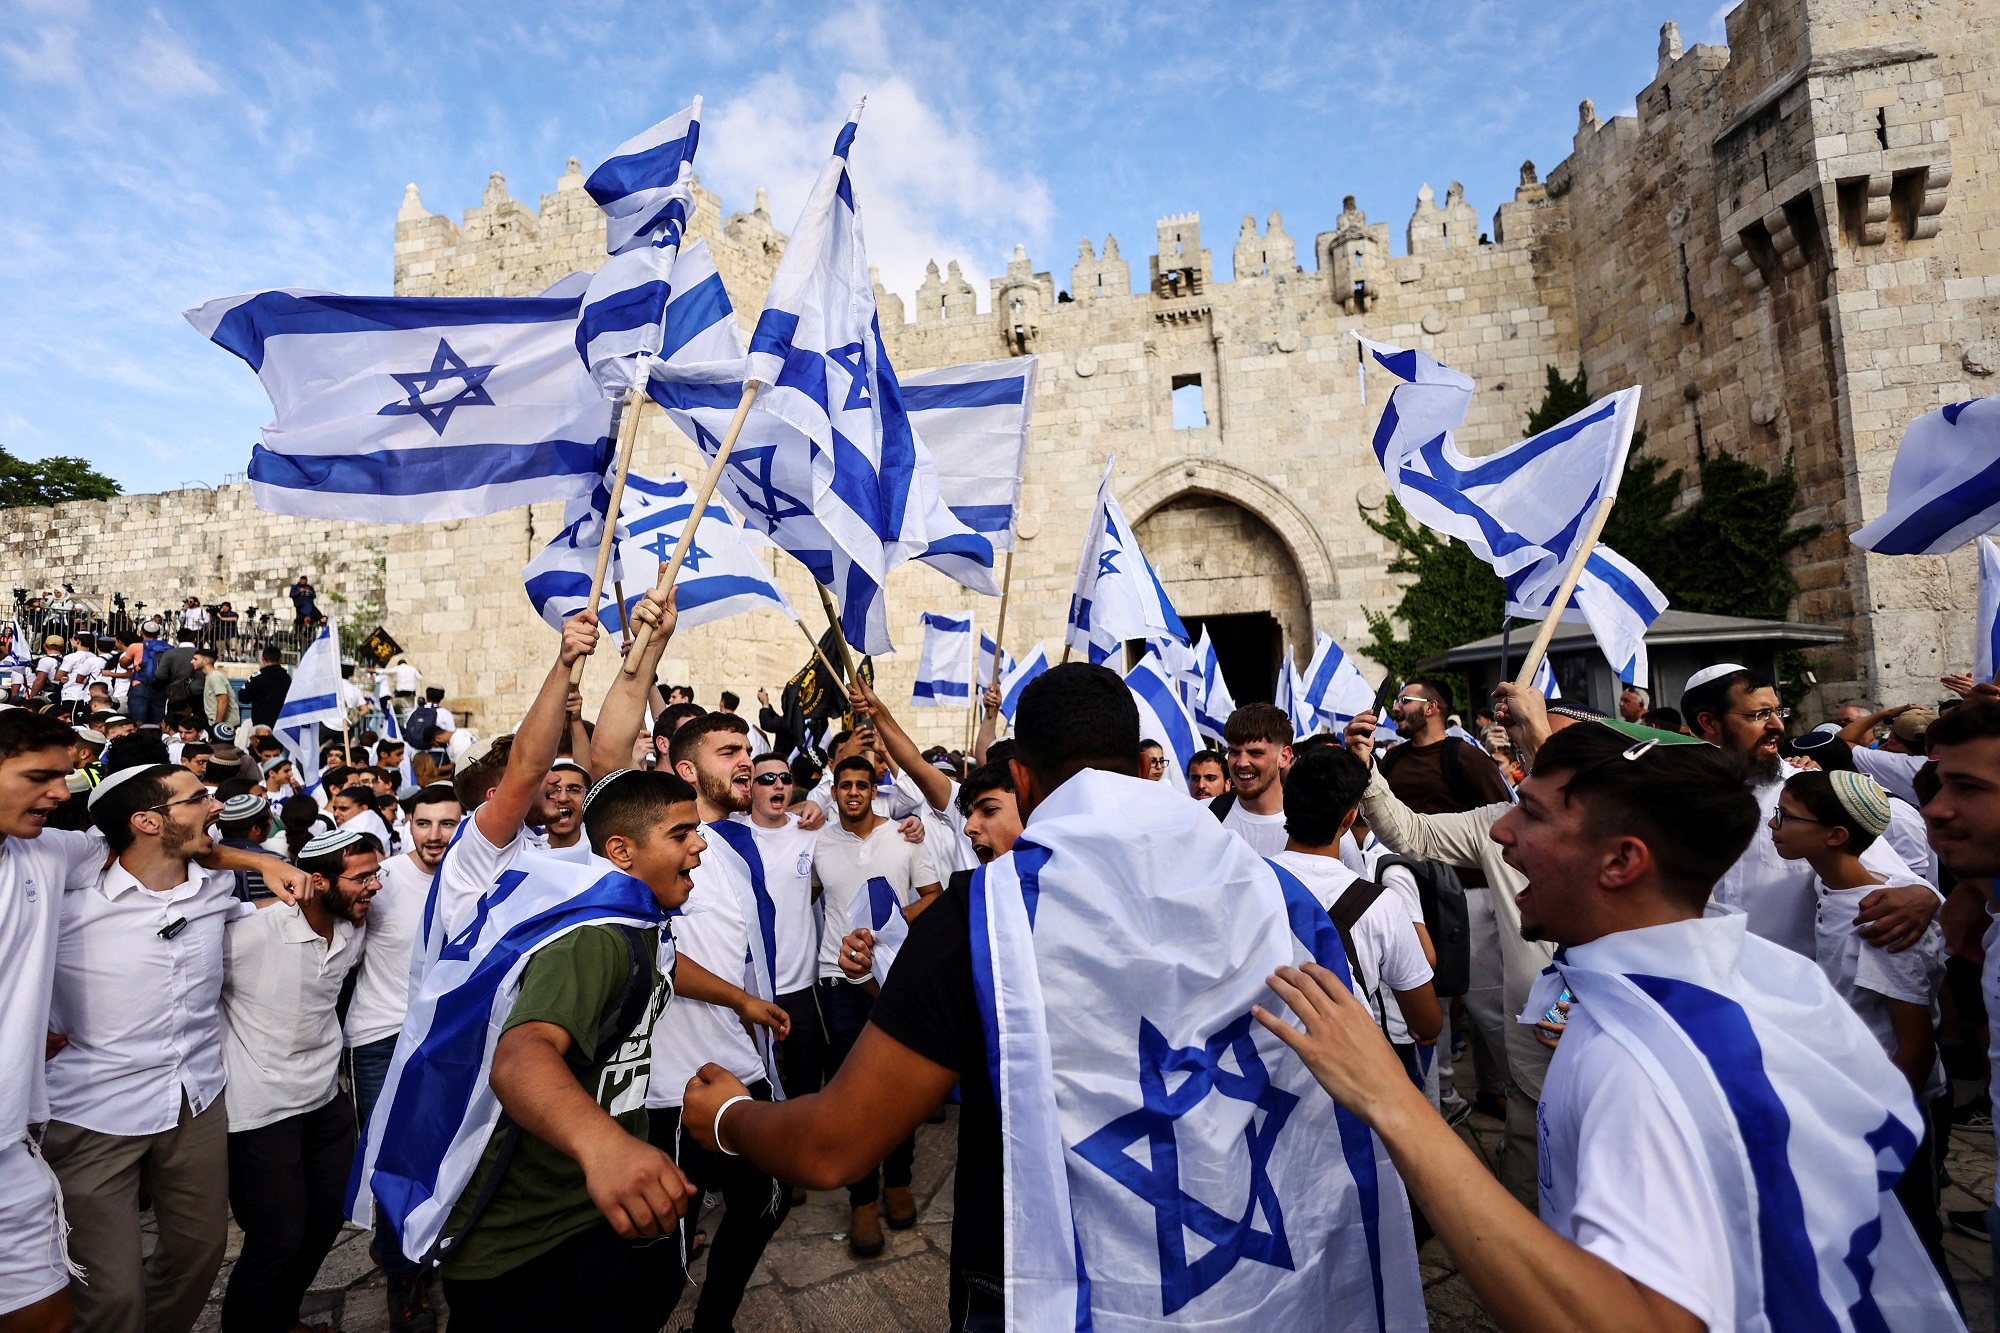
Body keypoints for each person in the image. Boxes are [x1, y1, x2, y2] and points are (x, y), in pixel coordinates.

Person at [685, 663, 1427, 1332]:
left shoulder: (982, 917)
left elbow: (833, 1146)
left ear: (1023, 780)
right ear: (1141, 763)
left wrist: (727, 1115)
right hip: (1260, 1286)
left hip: (1040, 1285)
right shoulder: (1281, 900)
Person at [1254, 719, 1959, 1332]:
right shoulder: (1725, 981)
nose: (1501, 832)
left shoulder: (1645, 1060)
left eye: (1531, 815)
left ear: (1622, 861)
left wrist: (1392, 1099)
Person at [416, 609, 699, 1332]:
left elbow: (610, 763)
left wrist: (647, 647)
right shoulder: (478, 865)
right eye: (542, 784)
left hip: (582, 1192)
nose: (555, 791)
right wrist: (566, 660)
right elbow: (525, 768)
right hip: (494, 1142)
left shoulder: (574, 873)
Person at [42, 762, 304, 1333]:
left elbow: (225, 882)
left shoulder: (214, 889)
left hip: (195, 1102)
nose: (216, 805)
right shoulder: (71, 898)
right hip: (93, 1113)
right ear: (146, 821)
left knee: (198, 1255)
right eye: (198, 798)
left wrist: (265, 862)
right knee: (111, 1293)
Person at [1342, 682, 1564, 1204]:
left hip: (1602, 1063)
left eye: (1551, 742)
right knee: (1527, 1190)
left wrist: (1537, 730)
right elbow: (1413, 835)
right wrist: (1366, 770)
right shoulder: (1498, 823)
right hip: (1530, 1061)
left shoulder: (1621, 828)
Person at [1768, 768, 1953, 1285]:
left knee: (1916, 1251)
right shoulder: (1831, 887)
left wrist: (1876, 1131)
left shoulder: (1880, 919)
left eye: (1786, 817)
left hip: (1886, 1117)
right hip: (1849, 1103)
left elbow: (1915, 1046)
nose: (1774, 826)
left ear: (1835, 835)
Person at [217, 829, 378, 1333]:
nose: (374, 886)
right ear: (318, 881)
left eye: (376, 874)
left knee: (328, 1217)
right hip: (259, 1111)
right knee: (276, 1238)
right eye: (361, 878)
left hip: (325, 1100)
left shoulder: (352, 931)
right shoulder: (250, 935)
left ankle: (282, 1318)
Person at [1683, 664, 1936, 958]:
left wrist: (1922, 895)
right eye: (1760, 714)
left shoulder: (1814, 792)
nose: (1777, 725)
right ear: (1709, 722)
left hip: (1800, 980)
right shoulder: (1674, 796)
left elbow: (1898, 880)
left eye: (1778, 712)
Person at [811, 753, 942, 1255]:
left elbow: (934, 895)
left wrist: (892, 921)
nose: (852, 793)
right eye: (844, 785)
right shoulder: (819, 841)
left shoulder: (905, 836)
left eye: (861, 785)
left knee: (899, 1086)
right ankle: (862, 1200)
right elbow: (805, 893)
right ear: (834, 791)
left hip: (894, 980)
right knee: (854, 1093)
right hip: (837, 981)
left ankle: (898, 1181)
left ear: (874, 789)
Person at [343, 781, 460, 1330]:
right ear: (406, 825)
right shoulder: (382, 880)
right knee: (391, 1162)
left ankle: (429, 1247)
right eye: (423, 823)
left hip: (449, 1040)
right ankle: (404, 1278)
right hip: (382, 1038)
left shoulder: (479, 878)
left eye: (447, 823)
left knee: (444, 1156)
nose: (434, 835)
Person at [1374, 676, 1516, 1122]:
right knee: (1425, 1000)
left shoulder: (1465, 758)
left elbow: (1503, 827)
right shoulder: (1393, 760)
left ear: (1432, 707)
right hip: (1409, 900)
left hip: (1468, 901)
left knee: (1486, 1005)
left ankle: (1520, 1097)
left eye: (1405, 700)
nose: (1396, 708)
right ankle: (1443, 1095)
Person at [1272, 745, 1441, 1087]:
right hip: (1346, 1082)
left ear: (1286, 804)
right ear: (1349, 820)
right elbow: (1427, 1023)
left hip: (1264, 1071)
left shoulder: (1246, 881)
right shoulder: (1381, 905)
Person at [741, 753, 825, 1101]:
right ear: (750, 788)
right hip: (749, 985)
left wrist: (913, 825)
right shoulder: (733, 834)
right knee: (755, 1084)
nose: (778, 784)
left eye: (785, 778)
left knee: (806, 1084)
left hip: (800, 984)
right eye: (767, 779)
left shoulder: (810, 832)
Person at [1213, 703, 1292, 854]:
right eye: (1234, 752)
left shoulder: (1315, 826)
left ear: (1284, 757)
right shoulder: (1206, 814)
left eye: (1255, 753)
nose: (1242, 763)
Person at [534, 760, 590, 862]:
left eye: (574, 790)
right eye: (554, 790)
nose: (563, 798)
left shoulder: (600, 851)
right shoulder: (521, 847)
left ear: (587, 797)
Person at [238, 646, 290, 732]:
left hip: (261, 726)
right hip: (281, 725)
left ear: (262, 658)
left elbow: (242, 697)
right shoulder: (287, 678)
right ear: (280, 659)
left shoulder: (258, 677)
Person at [194, 648, 239, 731]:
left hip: (223, 726)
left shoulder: (214, 677)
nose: (192, 662)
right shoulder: (211, 676)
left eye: (195, 659)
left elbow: (223, 701)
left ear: (206, 661)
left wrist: (217, 726)